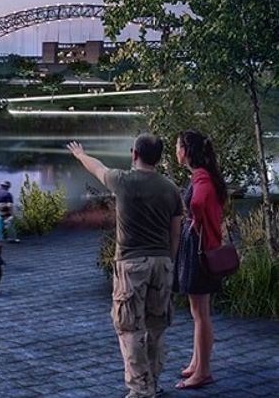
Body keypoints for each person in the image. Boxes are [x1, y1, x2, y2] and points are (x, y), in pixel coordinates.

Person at [67, 136, 182, 398]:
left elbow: (97, 168)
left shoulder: (122, 181)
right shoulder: (171, 188)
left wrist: (80, 155)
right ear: (159, 157)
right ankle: (153, 382)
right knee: (156, 327)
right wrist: (169, 261)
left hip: (131, 265)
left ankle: (140, 390)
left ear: (134, 154)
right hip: (162, 262)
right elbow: (175, 233)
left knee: (129, 328)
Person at [173, 130, 227, 390]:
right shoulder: (204, 174)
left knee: (200, 314)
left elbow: (199, 201)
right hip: (200, 247)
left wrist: (195, 217)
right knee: (198, 312)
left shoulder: (201, 177)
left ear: (185, 151)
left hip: (200, 250)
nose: (176, 150)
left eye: (178, 146)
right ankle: (197, 362)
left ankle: (203, 371)